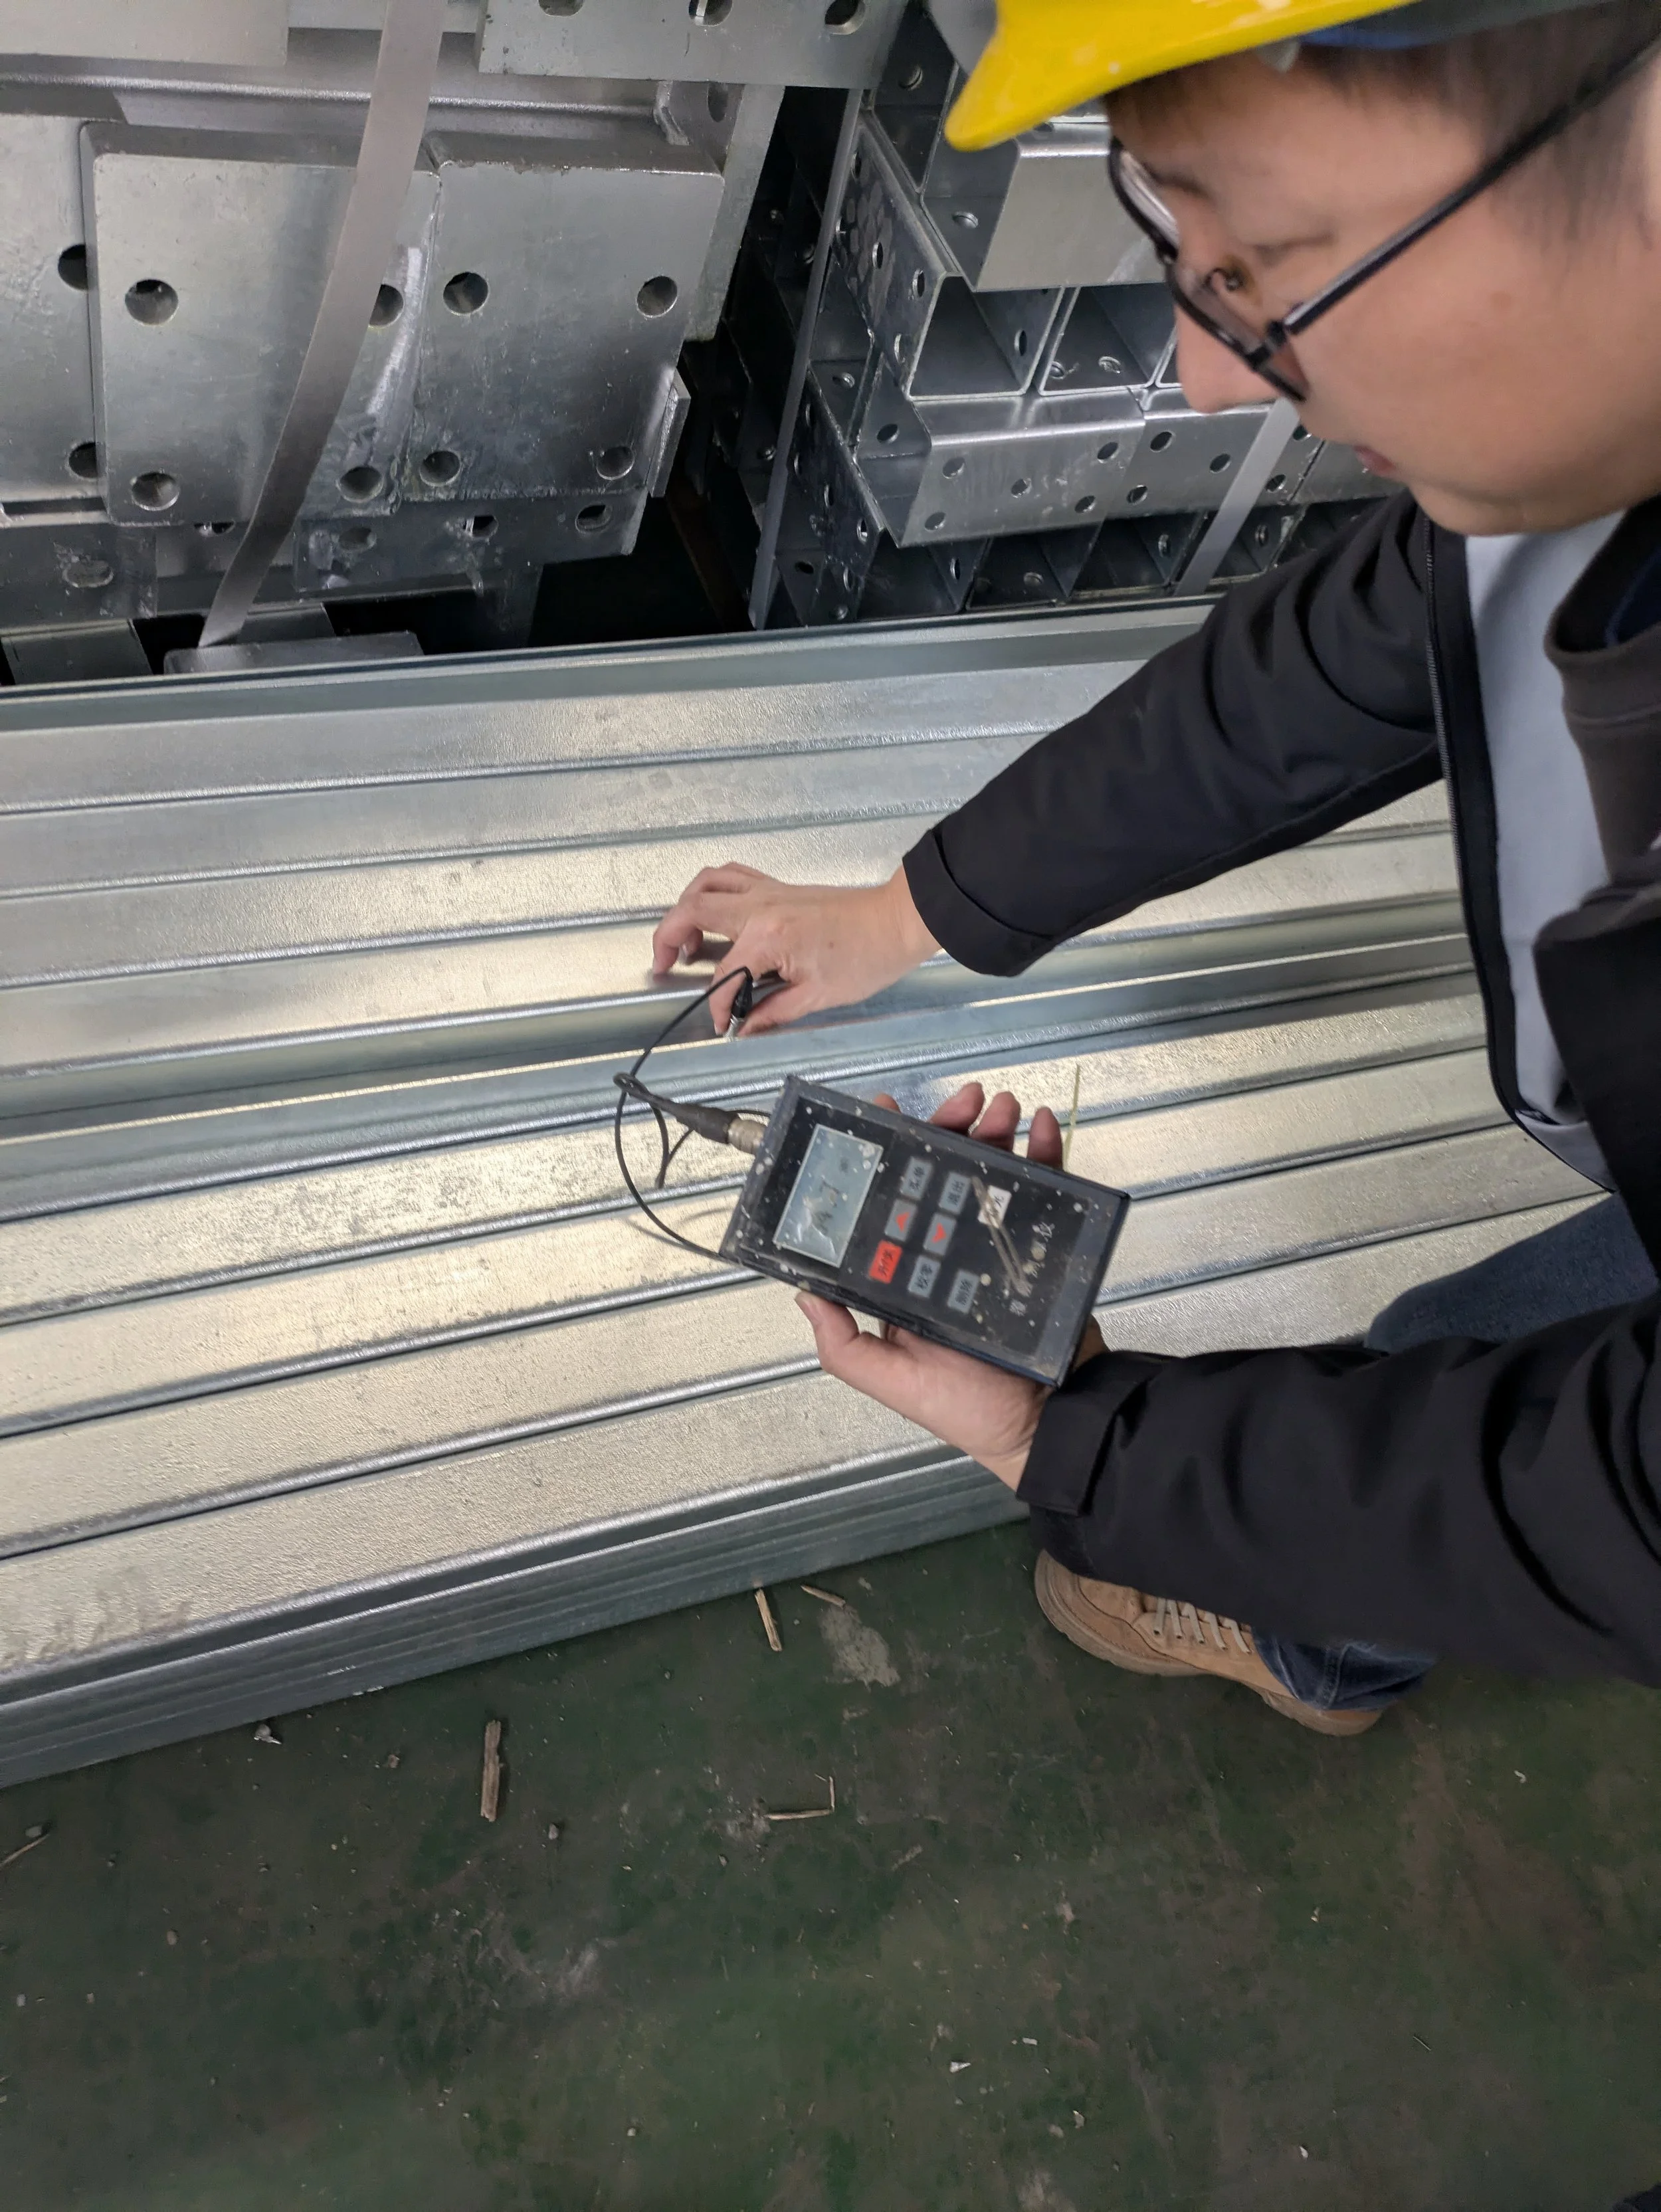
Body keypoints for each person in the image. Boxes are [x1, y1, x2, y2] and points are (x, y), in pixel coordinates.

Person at [653, 0, 1661, 1734]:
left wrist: (1081, 1443)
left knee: (1470, 1383)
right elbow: (1335, 664)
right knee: (1460, 1351)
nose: (1205, 378)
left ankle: (1307, 1628)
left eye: (1258, 265)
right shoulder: (1580, 460)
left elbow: (1628, 1514)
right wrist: (910, 913)